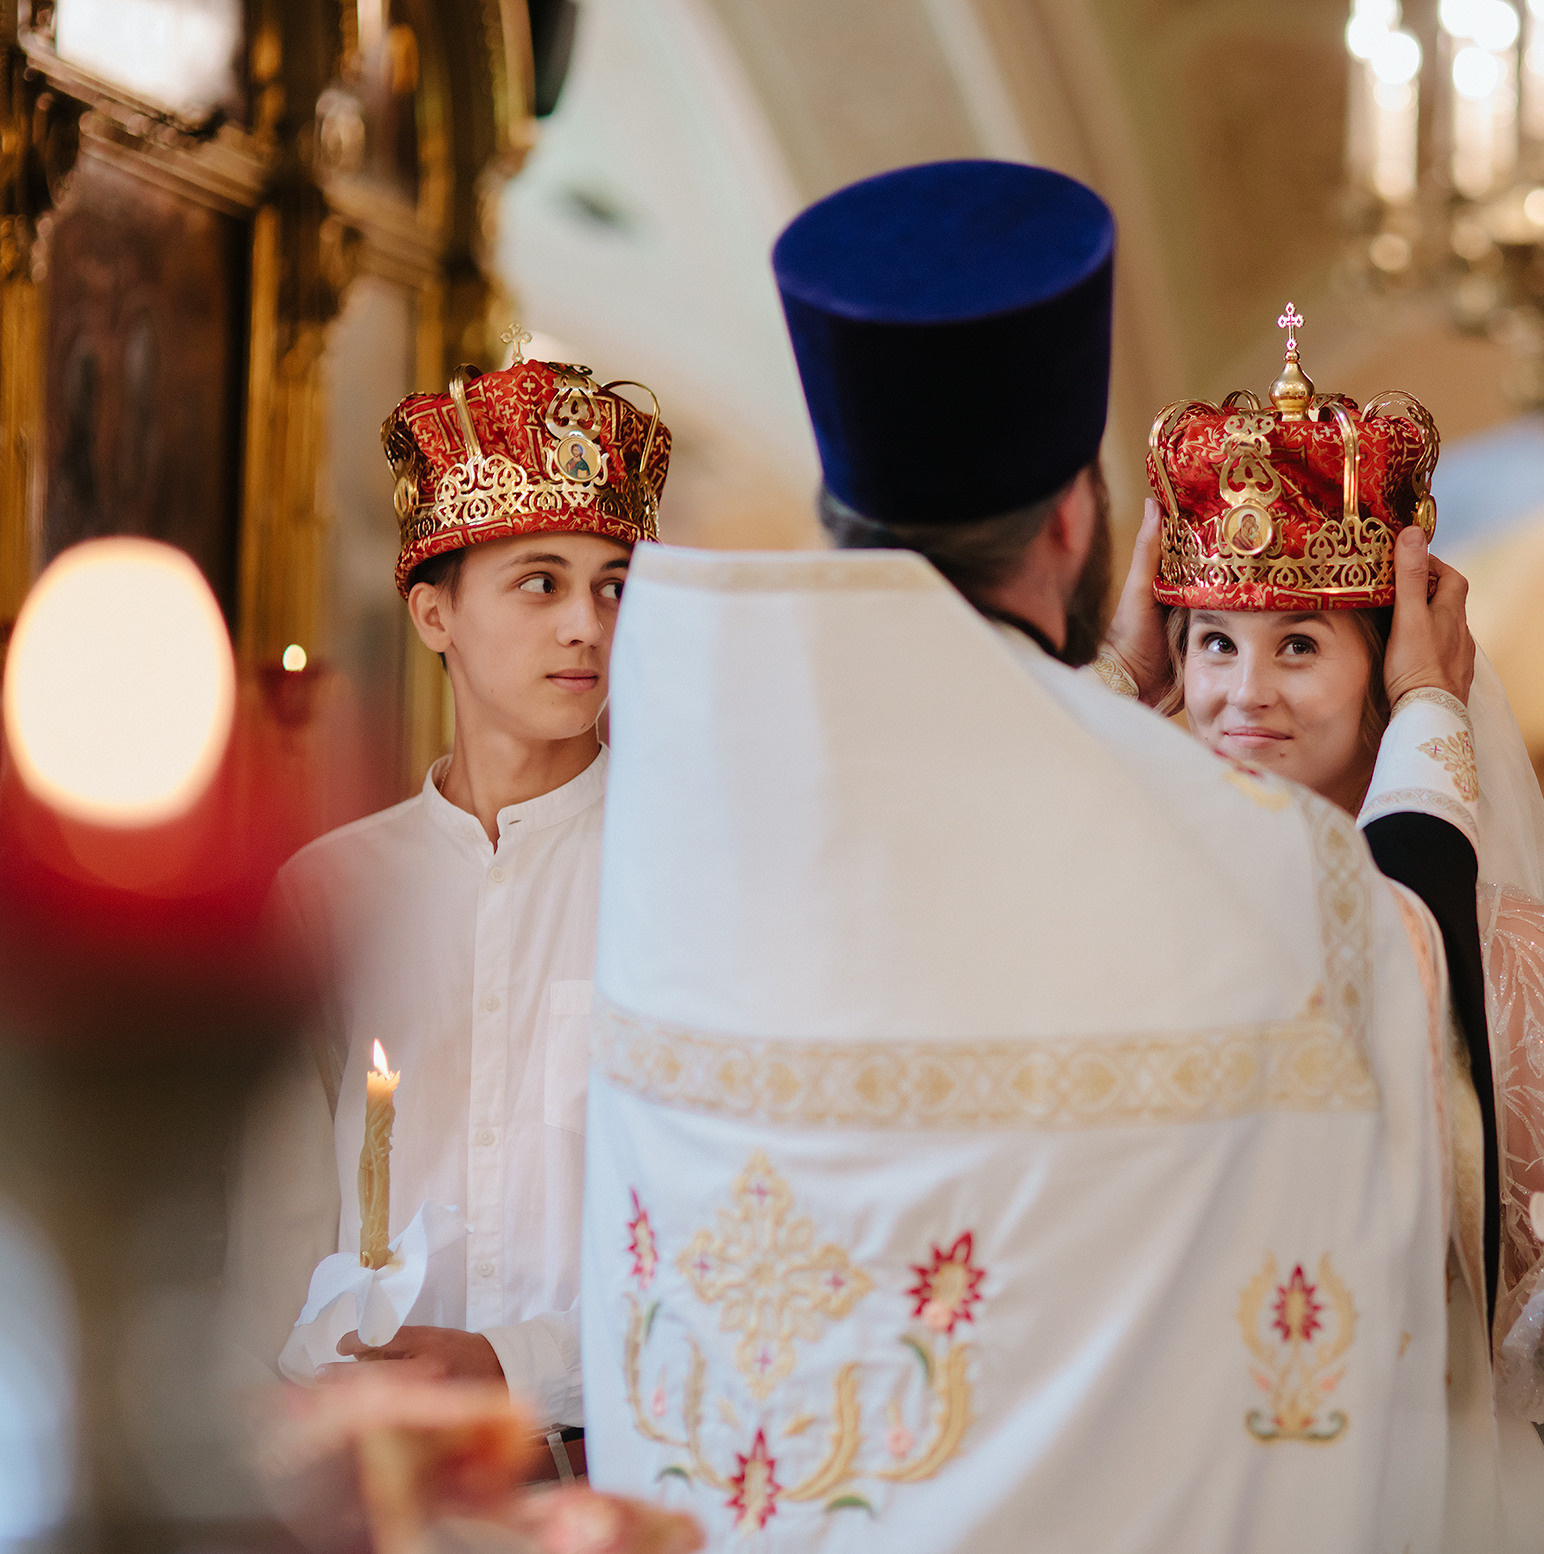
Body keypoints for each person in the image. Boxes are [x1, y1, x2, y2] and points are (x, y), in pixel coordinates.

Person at [578, 159, 1481, 1552]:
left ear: (838, 506)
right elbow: (1393, 1024)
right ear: (1074, 521)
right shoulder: (1271, 874)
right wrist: (1426, 718)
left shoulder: (675, 809)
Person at [1100, 329, 1544, 1551]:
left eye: (1296, 645)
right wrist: (1111, 676)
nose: (1245, 694)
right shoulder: (1123, 911)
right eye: (1212, 643)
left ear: (1391, 677)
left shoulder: (1511, 955)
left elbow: (1537, 1294)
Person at [223, 347, 672, 1475]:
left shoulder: (678, 881)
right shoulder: (329, 895)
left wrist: (518, 1368)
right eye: (541, 581)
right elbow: (268, 1232)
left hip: (611, 1468)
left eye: (613, 585)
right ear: (434, 614)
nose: (587, 625)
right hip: (363, 1475)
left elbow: (724, 1241)